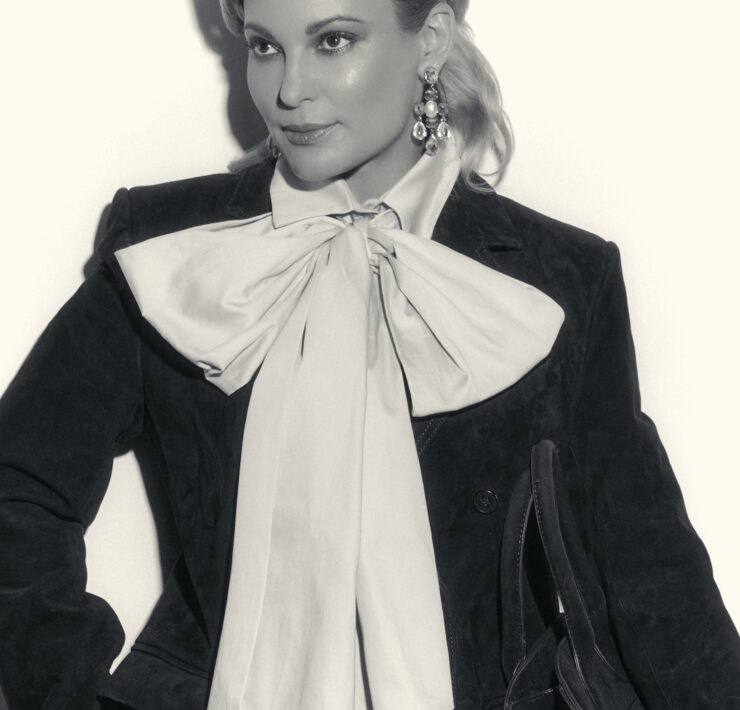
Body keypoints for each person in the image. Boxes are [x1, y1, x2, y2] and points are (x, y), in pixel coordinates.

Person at [0, 1, 738, 709]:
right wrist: (65, 693)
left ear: (431, 38)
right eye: (264, 46)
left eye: (333, 41)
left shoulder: (560, 277)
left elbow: (649, 570)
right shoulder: (169, 249)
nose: (289, 89)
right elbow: (20, 484)